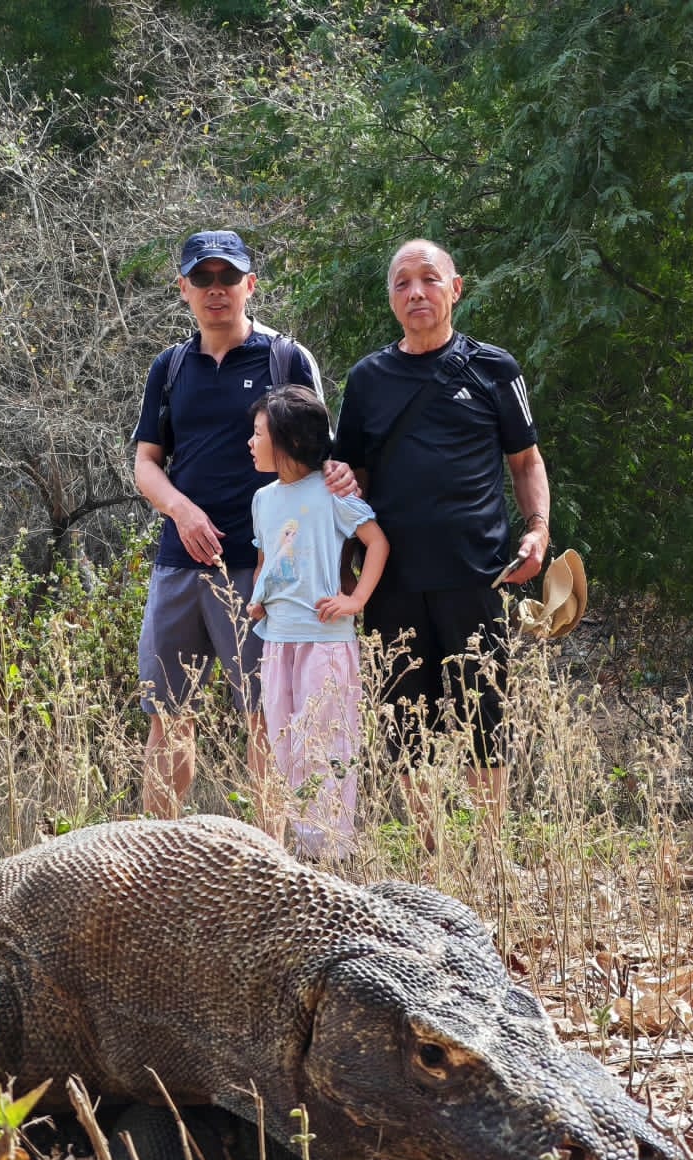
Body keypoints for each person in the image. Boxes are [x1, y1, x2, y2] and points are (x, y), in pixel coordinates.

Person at [331, 239, 551, 812]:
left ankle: (489, 854)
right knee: (406, 725)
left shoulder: (494, 368)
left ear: (455, 289)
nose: (416, 293)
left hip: (475, 573)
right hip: (392, 580)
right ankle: (430, 855)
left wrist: (538, 528)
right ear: (390, 300)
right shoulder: (367, 379)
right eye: (402, 284)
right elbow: (349, 476)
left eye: (429, 280)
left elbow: (526, 461)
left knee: (486, 715)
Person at [131, 229, 323, 818]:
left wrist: (288, 556)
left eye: (228, 277)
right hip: (179, 563)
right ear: (184, 288)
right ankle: (154, 863)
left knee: (265, 717)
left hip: (261, 570)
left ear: (250, 285)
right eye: (204, 278)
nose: (217, 290)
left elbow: (319, 467)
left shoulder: (284, 359)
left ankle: (268, 861)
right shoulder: (170, 368)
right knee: (169, 715)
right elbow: (145, 465)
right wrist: (182, 510)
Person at [246, 385, 389, 859]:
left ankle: (330, 854)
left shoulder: (331, 493)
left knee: (326, 746)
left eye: (258, 433)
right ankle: (297, 852)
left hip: (325, 642)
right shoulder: (263, 499)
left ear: (287, 441)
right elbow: (269, 556)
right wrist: (259, 599)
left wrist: (357, 600)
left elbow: (377, 543)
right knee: (284, 747)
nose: (250, 441)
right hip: (277, 641)